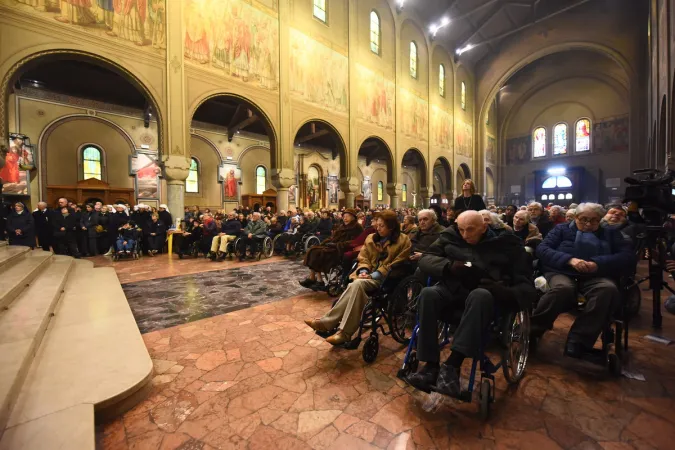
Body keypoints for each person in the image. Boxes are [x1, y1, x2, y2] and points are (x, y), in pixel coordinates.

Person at [405, 211, 536, 395]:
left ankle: (452, 365)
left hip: (486, 297)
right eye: (461, 229)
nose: (465, 235)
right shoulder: (451, 236)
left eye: (470, 230)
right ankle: (430, 366)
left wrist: (503, 290)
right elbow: (426, 259)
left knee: (480, 295)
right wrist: (448, 266)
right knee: (428, 294)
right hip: (453, 288)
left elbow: (526, 284)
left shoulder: (507, 243)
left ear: (484, 227)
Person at [531, 203, 634, 358]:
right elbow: (543, 249)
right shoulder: (562, 229)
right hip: (562, 271)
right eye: (583, 219)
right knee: (562, 289)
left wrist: (598, 263)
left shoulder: (611, 233)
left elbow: (626, 256)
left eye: (593, 221)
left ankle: (578, 341)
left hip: (596, 275)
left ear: (600, 220)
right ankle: (533, 330)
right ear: (576, 217)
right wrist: (569, 260)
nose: (587, 224)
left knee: (607, 290)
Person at [304, 211, 411, 345]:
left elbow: (398, 262)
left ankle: (336, 328)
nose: (377, 228)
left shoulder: (403, 240)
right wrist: (364, 270)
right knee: (356, 284)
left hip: (387, 278)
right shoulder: (371, 238)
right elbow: (363, 257)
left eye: (382, 226)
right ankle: (339, 330)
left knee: (356, 285)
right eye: (377, 225)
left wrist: (373, 274)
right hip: (366, 276)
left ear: (391, 227)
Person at [300, 208, 363, 290]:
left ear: (353, 217)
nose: (345, 218)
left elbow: (355, 241)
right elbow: (333, 237)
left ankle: (319, 281)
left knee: (319, 253)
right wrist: (326, 242)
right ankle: (313, 277)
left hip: (342, 250)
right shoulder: (342, 226)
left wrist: (337, 245)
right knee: (313, 250)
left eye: (347, 216)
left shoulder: (358, 227)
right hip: (334, 246)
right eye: (344, 216)